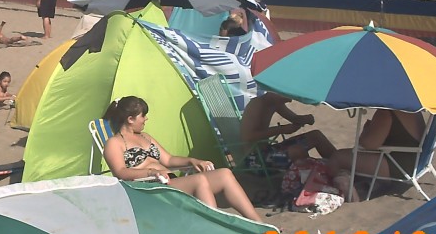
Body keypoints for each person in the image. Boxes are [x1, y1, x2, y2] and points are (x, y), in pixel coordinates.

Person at [102, 96, 263, 223]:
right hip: (149, 190)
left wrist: (192, 161)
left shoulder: (145, 137)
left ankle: (260, 224)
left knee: (224, 174)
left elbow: (169, 159)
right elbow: (121, 172)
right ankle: (215, 228)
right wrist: (150, 171)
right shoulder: (114, 143)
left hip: (170, 182)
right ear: (130, 119)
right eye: (143, 116)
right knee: (199, 180)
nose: (146, 119)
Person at [331, 109, 426, 199]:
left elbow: (368, 144)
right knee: (348, 157)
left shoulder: (385, 113)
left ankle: (338, 192)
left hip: (400, 167)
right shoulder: (411, 109)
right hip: (416, 161)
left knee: (337, 157)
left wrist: (366, 131)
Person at [240, 92, 336, 162]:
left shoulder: (274, 102)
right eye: (288, 96)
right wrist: (282, 129)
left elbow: (294, 118)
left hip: (269, 149)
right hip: (254, 159)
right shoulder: (257, 104)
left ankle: (339, 165)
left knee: (316, 135)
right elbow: (248, 136)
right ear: (276, 91)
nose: (290, 100)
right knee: (297, 152)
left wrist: (305, 119)